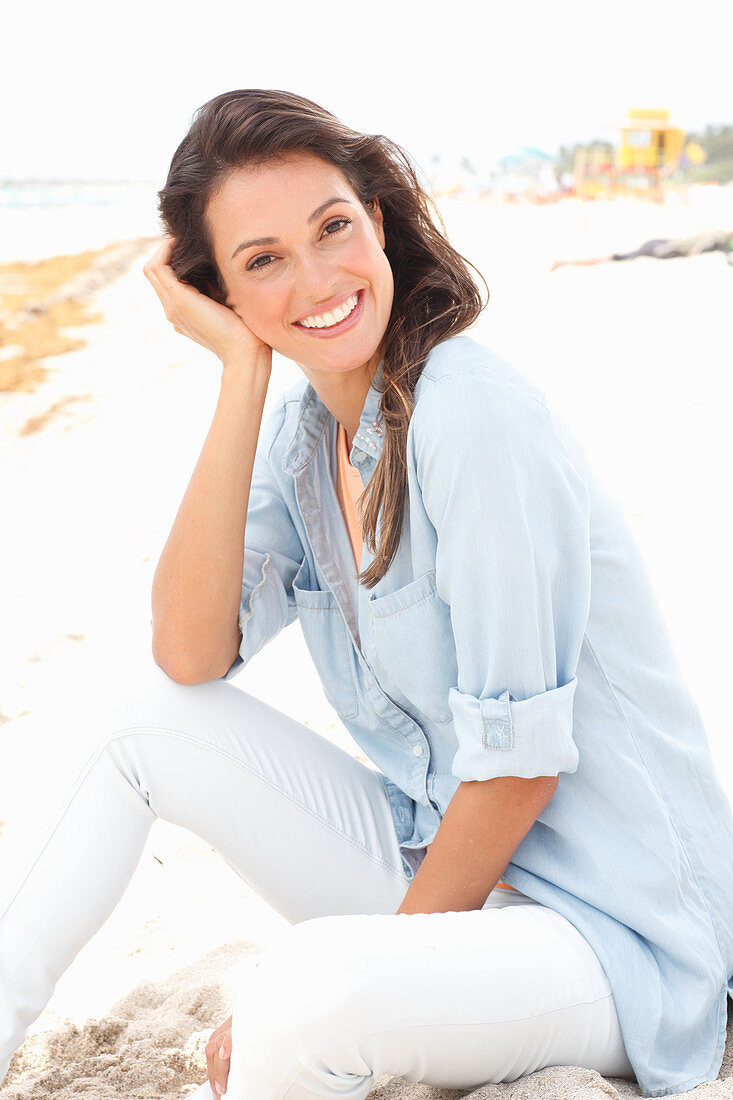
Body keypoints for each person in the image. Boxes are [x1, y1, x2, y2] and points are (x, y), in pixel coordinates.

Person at [1, 89, 732, 1100]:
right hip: (455, 877)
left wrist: (379, 972)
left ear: (376, 221)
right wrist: (240, 376)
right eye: (261, 261)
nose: (317, 276)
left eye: (332, 227)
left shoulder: (470, 416)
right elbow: (186, 653)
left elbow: (518, 772)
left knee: (298, 993)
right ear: (222, 293)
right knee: (131, 726)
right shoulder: (308, 438)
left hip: (607, 931)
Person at [551, 228, 733, 270]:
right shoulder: (720, 238)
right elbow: (702, 247)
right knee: (618, 258)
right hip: (661, 249)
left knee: (618, 257)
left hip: (659, 243)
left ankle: (565, 262)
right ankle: (565, 262)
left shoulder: (718, 232)